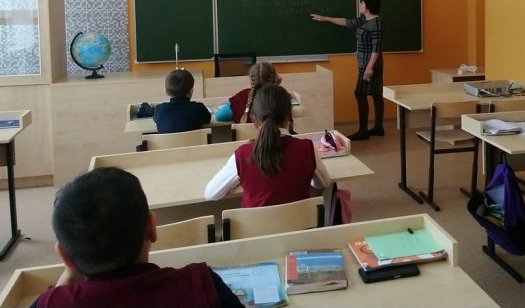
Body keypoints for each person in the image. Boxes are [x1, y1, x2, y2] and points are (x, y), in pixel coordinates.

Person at [32, 167, 241, 308]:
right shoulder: (202, 286)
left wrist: (70, 273)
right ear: (152, 228)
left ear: (64, 256)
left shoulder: (50, 303)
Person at [204, 83, 320, 207]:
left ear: (254, 119)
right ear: (289, 115)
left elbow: (210, 194)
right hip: (300, 219)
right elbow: (322, 184)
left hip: (253, 220)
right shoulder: (307, 148)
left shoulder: (243, 155)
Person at [311, 0, 384, 140]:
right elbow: (346, 22)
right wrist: (325, 18)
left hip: (370, 64)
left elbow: (376, 48)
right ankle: (378, 128)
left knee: (360, 93)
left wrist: (369, 68)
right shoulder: (364, 20)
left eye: (362, 3)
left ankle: (364, 131)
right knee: (376, 93)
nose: (360, 5)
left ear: (368, 7)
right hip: (364, 63)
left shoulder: (376, 23)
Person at [152, 69, 211, 133]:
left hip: (168, 140)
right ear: (191, 91)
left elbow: (155, 119)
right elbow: (208, 119)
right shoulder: (199, 108)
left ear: (166, 91)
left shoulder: (160, 110)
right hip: (194, 140)